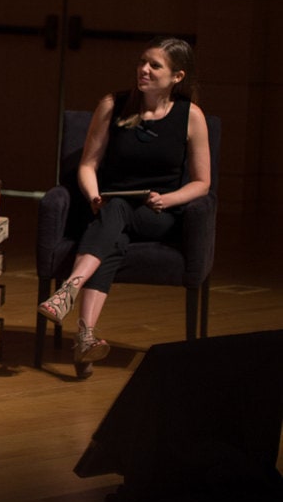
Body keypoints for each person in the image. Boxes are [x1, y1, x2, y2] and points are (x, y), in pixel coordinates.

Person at [37, 37, 211, 378]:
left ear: (177, 76)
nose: (144, 70)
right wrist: (93, 197)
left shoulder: (191, 116)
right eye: (142, 62)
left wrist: (168, 199)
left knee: (114, 216)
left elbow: (202, 182)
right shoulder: (113, 105)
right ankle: (84, 339)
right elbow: (88, 165)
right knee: (112, 230)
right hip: (109, 207)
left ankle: (68, 290)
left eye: (155, 65)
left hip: (157, 214)